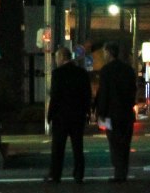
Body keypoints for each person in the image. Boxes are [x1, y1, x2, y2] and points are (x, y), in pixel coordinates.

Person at [44, 46, 92, 183]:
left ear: (61, 57)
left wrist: (50, 114)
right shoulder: (81, 73)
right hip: (77, 115)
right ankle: (79, 173)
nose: (56, 61)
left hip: (61, 116)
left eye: (57, 58)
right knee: (78, 146)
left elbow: (55, 96)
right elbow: (87, 94)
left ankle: (55, 174)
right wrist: (87, 111)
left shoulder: (58, 73)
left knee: (58, 147)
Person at [93, 40, 137, 183]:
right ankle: (122, 172)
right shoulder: (128, 70)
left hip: (112, 114)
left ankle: (119, 173)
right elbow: (133, 91)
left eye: (105, 52)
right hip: (126, 113)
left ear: (109, 52)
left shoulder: (106, 70)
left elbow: (104, 93)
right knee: (125, 143)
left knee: (114, 143)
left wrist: (100, 112)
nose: (104, 55)